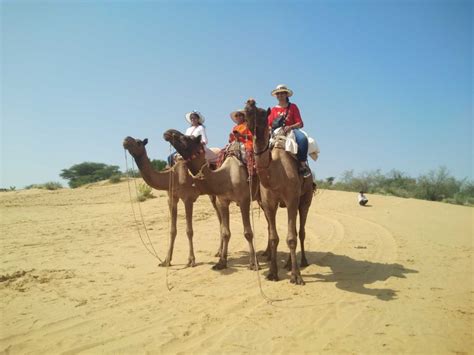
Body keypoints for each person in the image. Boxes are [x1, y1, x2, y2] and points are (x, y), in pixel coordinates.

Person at [267, 84, 311, 178]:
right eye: (278, 94)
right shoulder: (273, 109)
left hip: (292, 130)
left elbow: (300, 123)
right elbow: (269, 125)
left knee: (303, 139)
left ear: (286, 94)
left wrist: (290, 127)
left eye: (282, 93)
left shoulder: (293, 107)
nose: (280, 95)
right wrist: (270, 130)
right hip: (276, 132)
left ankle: (302, 165)